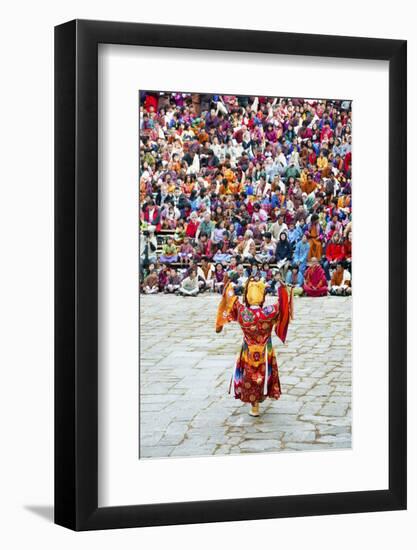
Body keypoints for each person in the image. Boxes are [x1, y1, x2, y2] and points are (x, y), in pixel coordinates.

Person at [215, 275, 293, 417]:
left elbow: (230, 298)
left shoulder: (243, 312)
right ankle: (261, 396)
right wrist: (282, 288)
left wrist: (230, 283)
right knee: (263, 373)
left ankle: (254, 405)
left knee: (250, 376)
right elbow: (283, 305)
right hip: (264, 350)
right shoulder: (268, 312)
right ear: (262, 296)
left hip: (248, 351)